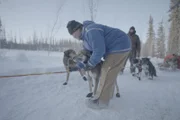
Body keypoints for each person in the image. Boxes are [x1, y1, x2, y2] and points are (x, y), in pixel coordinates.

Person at [66, 20, 131, 109]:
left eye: (72, 33)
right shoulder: (85, 39)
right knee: (110, 73)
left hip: (119, 45)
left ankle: (101, 102)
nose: (73, 36)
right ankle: (108, 95)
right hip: (120, 47)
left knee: (106, 71)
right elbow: (86, 53)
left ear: (77, 29)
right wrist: (79, 66)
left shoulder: (91, 30)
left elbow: (99, 50)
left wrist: (90, 64)